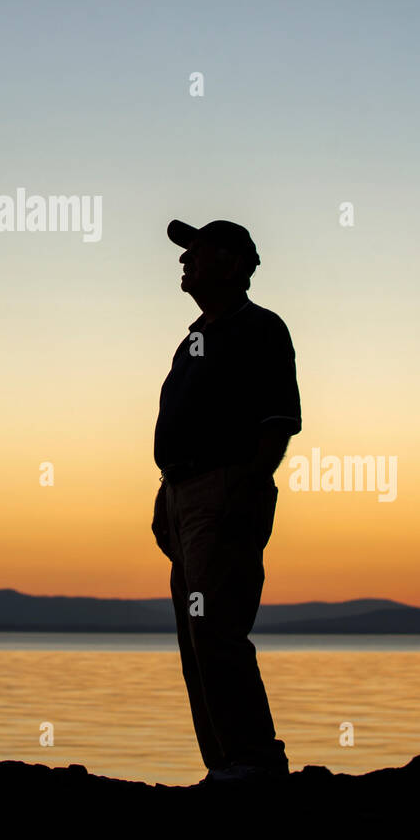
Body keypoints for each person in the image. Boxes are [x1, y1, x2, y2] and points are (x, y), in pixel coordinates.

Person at [151, 218, 301, 785]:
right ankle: (226, 765)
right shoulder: (193, 338)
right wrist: (167, 498)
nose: (184, 259)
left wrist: (250, 485)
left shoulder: (260, 329)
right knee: (195, 635)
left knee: (217, 623)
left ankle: (256, 760)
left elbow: (277, 420)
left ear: (233, 263)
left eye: (197, 250)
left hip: (227, 489)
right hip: (183, 496)